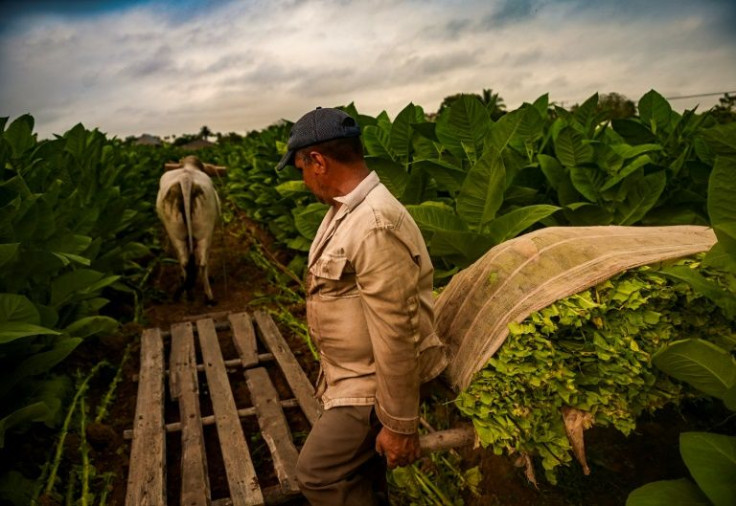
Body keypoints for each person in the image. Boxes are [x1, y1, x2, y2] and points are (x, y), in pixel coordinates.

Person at [275, 107, 448, 505]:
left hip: (369, 387)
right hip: (348, 377)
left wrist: (399, 424)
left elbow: (398, 330)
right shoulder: (345, 211)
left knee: (318, 475)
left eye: (300, 167)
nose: (303, 180)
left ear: (317, 161)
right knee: (362, 477)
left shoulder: (373, 223)